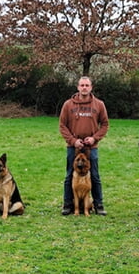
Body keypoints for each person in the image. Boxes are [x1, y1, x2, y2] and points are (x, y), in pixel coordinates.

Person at [59, 76, 109, 216]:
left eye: (87, 85)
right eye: (82, 85)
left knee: (95, 175)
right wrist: (73, 140)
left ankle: (98, 204)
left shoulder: (99, 105)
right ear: (78, 87)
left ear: (91, 87)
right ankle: (68, 204)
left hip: (91, 148)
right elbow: (62, 126)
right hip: (73, 147)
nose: (84, 88)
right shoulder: (68, 105)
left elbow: (105, 125)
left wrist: (94, 138)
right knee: (70, 174)